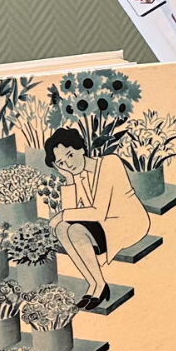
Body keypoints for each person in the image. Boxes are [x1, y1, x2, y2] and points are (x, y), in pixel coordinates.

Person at [46, 127, 149, 309]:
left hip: (129, 221)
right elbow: (71, 214)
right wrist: (69, 179)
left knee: (75, 230)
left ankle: (99, 286)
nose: (68, 164)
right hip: (103, 224)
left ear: (81, 148)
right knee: (63, 228)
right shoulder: (76, 176)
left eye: (70, 155)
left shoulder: (110, 163)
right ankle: (95, 283)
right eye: (61, 162)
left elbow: (97, 212)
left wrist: (61, 215)